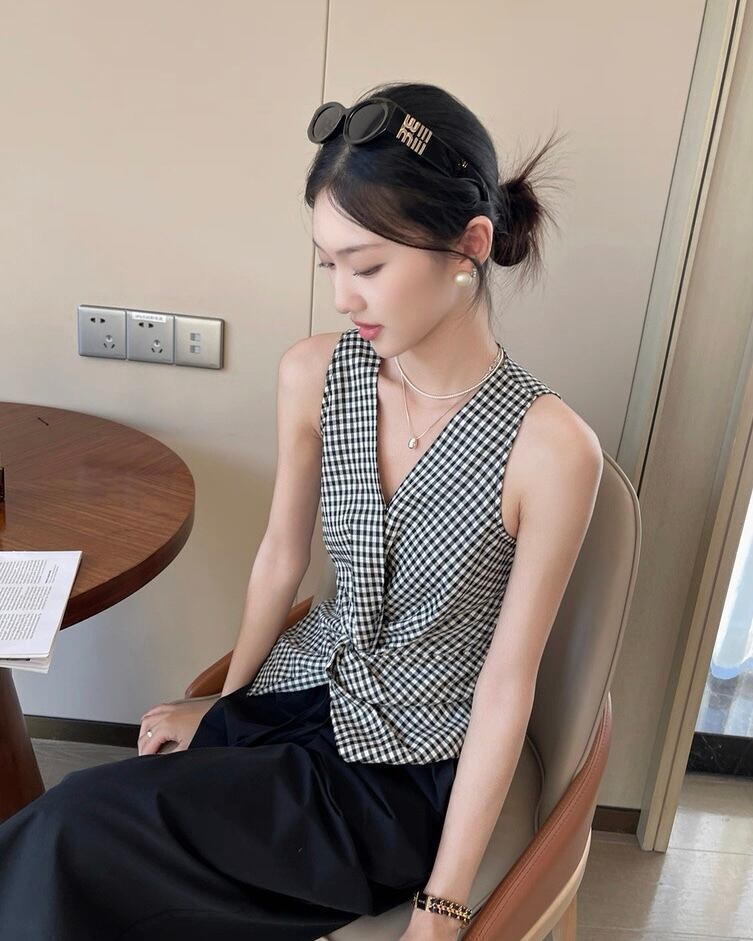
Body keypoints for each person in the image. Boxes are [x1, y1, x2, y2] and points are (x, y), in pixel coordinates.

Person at [0, 81, 602, 940]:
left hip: (394, 777)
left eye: (368, 267)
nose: (343, 297)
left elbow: (506, 683)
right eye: (328, 265)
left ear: (468, 245)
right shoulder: (315, 374)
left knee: (74, 828)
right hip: (290, 702)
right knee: (73, 843)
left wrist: (440, 905)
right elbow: (280, 558)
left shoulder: (549, 449)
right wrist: (227, 704)